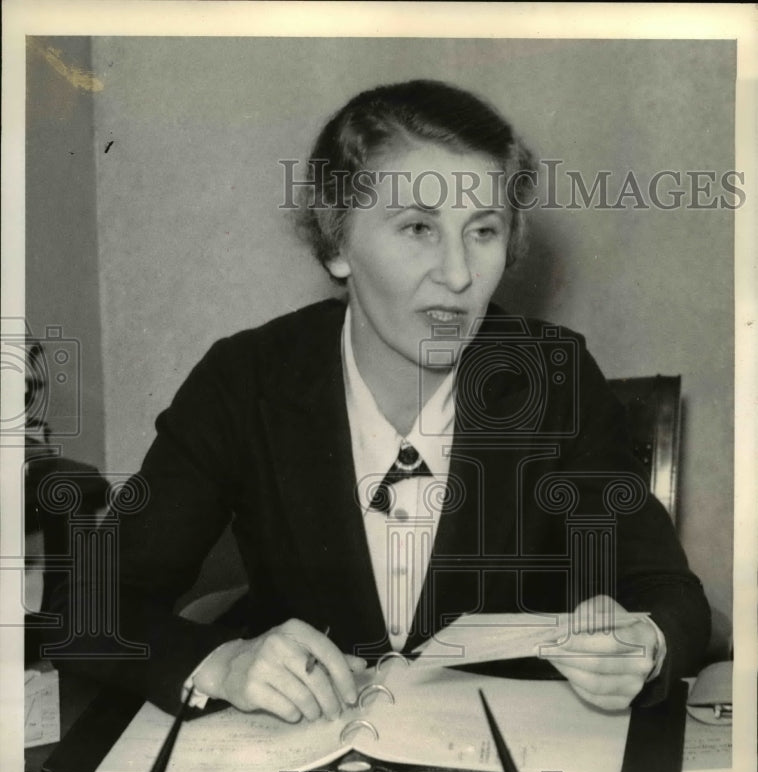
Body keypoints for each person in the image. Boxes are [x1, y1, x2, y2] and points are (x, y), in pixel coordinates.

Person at [50, 79, 710, 720]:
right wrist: (221, 662)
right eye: (419, 228)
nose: (457, 276)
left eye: (482, 231)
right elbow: (88, 604)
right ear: (336, 242)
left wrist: (642, 647)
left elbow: (669, 597)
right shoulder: (246, 380)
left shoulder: (554, 378)